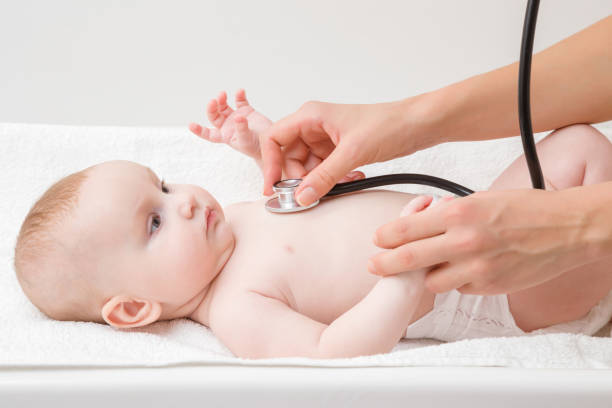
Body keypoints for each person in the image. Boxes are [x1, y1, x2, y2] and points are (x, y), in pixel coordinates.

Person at [14, 90, 612, 359]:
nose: (186, 202)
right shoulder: (237, 309)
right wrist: (403, 288)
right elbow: (329, 351)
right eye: (154, 222)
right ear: (133, 308)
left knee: (580, 142)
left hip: (484, 215)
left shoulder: (231, 227)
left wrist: (261, 150)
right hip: (494, 290)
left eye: (164, 186)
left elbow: (293, 203)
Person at [259, 15, 612, 296]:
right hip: (481, 275)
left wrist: (575, 225)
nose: (200, 206)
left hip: (491, 276)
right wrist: (412, 120)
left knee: (582, 148)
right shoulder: (235, 299)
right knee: (579, 143)